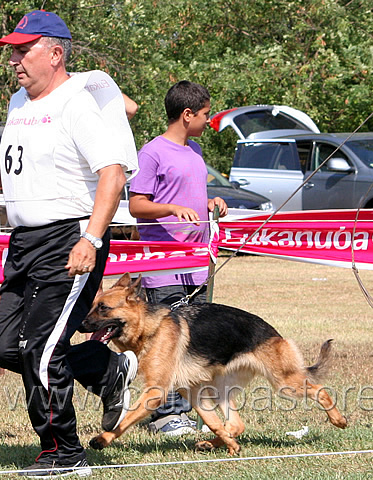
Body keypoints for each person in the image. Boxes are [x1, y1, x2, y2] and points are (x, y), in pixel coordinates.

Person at [0, 11, 138, 476]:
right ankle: (101, 369)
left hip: (69, 238)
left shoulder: (78, 103)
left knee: (39, 347)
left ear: (55, 53)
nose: (14, 59)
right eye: (13, 51)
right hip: (25, 241)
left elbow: (113, 174)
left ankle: (63, 452)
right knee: (5, 342)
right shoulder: (19, 100)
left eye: (24, 50)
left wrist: (91, 239)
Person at [128, 80, 228, 436]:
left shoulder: (196, 150)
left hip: (197, 264)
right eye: (205, 114)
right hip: (163, 265)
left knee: (196, 342)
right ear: (187, 115)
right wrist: (170, 208)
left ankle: (194, 412)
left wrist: (210, 204)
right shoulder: (152, 153)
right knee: (165, 343)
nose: (208, 120)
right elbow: (136, 204)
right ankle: (165, 415)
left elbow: (191, 197)